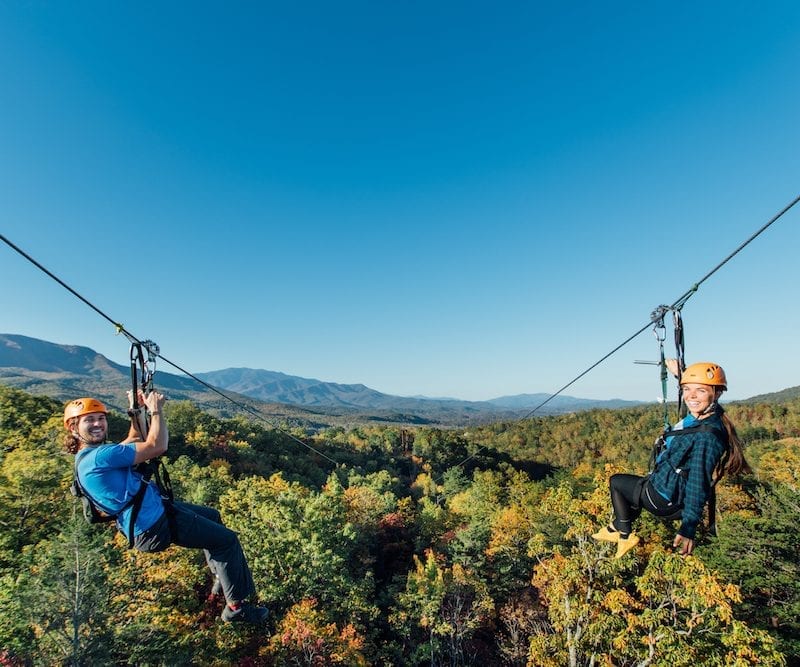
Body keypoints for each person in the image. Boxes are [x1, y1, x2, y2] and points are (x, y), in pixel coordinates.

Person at [63, 391, 269, 624]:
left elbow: (135, 439)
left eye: (100, 418)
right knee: (227, 540)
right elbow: (156, 445)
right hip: (153, 524)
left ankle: (222, 577)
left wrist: (135, 410)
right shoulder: (100, 457)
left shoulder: (91, 456)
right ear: (73, 428)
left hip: (151, 515)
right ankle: (237, 608)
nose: (98, 423)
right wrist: (156, 410)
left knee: (213, 516)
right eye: (89, 420)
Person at [592, 361, 749, 559]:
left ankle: (623, 534)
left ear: (716, 394)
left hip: (662, 498)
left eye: (700, 390)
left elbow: (698, 481)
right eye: (686, 389)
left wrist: (689, 527)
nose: (691, 396)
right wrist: (680, 375)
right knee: (631, 493)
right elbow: (695, 399)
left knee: (617, 482)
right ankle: (615, 527)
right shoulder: (708, 417)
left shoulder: (707, 437)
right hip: (671, 493)